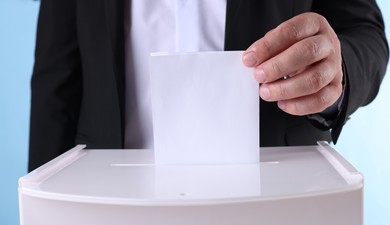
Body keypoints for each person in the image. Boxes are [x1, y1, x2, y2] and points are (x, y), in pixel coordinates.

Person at [28, 0, 388, 172]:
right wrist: (42, 212)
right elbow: (56, 82)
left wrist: (333, 68)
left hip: (278, 206)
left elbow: (365, 34)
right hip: (110, 206)